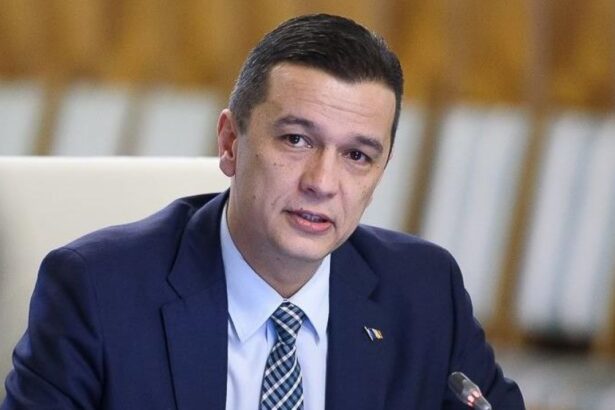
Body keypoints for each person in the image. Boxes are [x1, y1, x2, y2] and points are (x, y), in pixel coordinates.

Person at [1, 13, 524, 410]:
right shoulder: (97, 290)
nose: (322, 183)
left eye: (357, 156)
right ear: (230, 142)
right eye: (296, 139)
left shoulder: (424, 291)